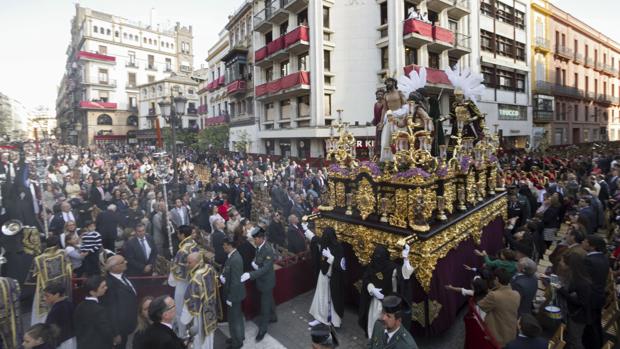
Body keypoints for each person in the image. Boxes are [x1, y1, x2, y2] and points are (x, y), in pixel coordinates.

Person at [358, 244, 414, 338]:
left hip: (389, 305)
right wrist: (372, 289)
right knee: (373, 325)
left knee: (386, 328)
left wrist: (405, 258)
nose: (378, 259)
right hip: (375, 303)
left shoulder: (393, 269)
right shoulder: (372, 266)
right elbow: (366, 279)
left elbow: (406, 275)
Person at [304, 226, 346, 328]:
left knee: (332, 300)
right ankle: (319, 318)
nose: (324, 238)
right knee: (320, 297)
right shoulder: (324, 243)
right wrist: (306, 229)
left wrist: (331, 257)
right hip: (323, 276)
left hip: (333, 279)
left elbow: (342, 266)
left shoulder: (338, 248)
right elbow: (314, 238)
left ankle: (334, 321)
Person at [240, 226, 276, 341]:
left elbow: (265, 269)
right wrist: (255, 263)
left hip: (266, 282)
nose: (254, 241)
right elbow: (258, 259)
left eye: (255, 239)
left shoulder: (268, 250)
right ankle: (274, 316)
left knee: (264, 306)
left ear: (261, 238)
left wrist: (251, 274)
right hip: (262, 280)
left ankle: (263, 329)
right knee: (269, 299)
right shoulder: (259, 247)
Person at [28, 236, 73, 325]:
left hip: (47, 289)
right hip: (61, 288)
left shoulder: (38, 259)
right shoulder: (63, 253)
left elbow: (32, 278)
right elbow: (70, 270)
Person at [180, 252, 221, 349]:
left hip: (201, 315)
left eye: (189, 263)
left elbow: (191, 301)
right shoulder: (209, 268)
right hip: (211, 309)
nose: (187, 265)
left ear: (196, 262)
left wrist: (184, 319)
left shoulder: (196, 279)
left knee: (200, 341)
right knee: (210, 337)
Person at [168, 225, 202, 336]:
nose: (177, 235)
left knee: (179, 310)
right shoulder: (195, 245)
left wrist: (171, 280)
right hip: (194, 281)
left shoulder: (182, 251)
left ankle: (182, 334)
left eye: (178, 233)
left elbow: (175, 271)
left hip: (183, 283)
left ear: (183, 235)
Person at [552, 253, 591, 349]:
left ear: (569, 265)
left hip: (578, 316)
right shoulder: (575, 276)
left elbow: (580, 302)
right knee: (570, 338)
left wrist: (561, 290)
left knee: (574, 340)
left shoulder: (582, 283)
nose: (560, 263)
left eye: (562, 261)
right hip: (573, 313)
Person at [100, 255, 138, 349]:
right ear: (114, 267)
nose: (126, 262)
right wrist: (115, 333)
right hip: (119, 328)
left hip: (129, 324)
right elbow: (110, 309)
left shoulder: (123, 277)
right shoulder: (109, 283)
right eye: (122, 262)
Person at [477, 268, 520, 346]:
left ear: (497, 279)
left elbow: (481, 305)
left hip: (497, 332)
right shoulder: (516, 294)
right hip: (511, 331)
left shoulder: (494, 295)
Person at [582, 235, 610, 349]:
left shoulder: (589, 260)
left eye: (585, 241)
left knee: (590, 327)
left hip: (591, 296)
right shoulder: (603, 257)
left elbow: (584, 280)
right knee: (595, 325)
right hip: (598, 295)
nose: (583, 242)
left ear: (592, 246)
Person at [74, 275, 116, 349]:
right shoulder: (98, 309)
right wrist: (112, 341)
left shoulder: (79, 306)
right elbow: (105, 331)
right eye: (103, 287)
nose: (106, 288)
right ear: (92, 292)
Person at [220, 236, 245, 349]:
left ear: (230, 246)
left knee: (234, 319)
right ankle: (238, 337)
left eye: (224, 245)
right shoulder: (232, 256)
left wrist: (230, 297)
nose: (223, 247)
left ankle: (237, 342)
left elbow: (235, 281)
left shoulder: (235, 259)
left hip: (234, 294)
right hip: (234, 293)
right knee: (236, 317)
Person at [43, 283, 76, 349]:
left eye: (47, 296)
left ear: (57, 295)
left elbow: (50, 330)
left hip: (62, 343)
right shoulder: (70, 304)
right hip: (73, 339)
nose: (44, 298)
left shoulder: (55, 310)